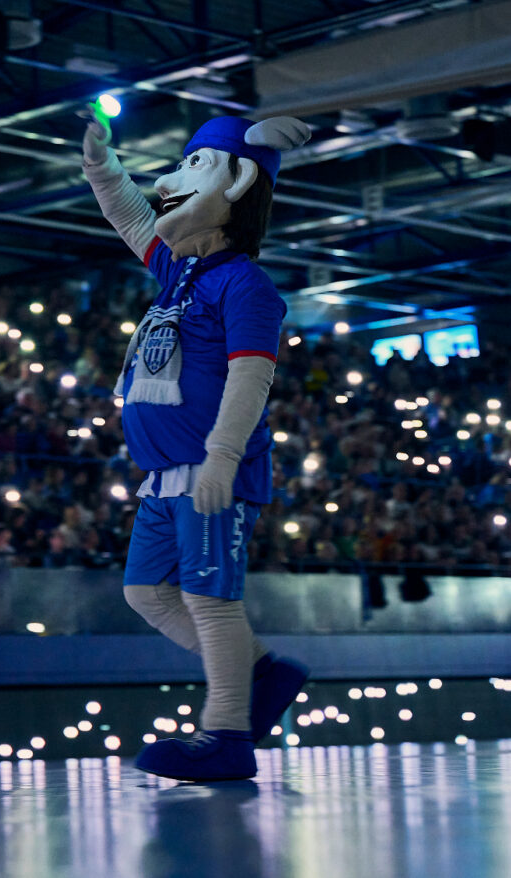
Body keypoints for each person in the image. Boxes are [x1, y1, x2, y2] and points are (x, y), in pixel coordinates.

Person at [82, 112, 312, 781]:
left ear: (237, 183)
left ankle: (227, 733)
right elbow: (129, 215)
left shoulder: (246, 285)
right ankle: (263, 673)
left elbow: (251, 375)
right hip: (162, 474)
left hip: (213, 470)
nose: (167, 183)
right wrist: (101, 166)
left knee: (211, 601)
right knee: (145, 593)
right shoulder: (179, 274)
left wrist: (223, 454)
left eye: (193, 167)